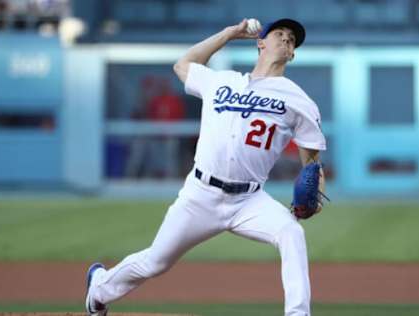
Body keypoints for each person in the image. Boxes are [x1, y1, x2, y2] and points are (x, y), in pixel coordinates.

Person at [85, 18, 326, 316]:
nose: (287, 40)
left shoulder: (299, 100)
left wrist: (314, 193)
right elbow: (182, 65)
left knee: (291, 232)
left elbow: (312, 165)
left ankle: (298, 313)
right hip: (200, 194)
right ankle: (99, 287)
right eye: (280, 34)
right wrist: (228, 34)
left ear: (292, 54)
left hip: (249, 200)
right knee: (156, 262)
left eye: (292, 40)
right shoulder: (222, 81)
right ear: (260, 43)